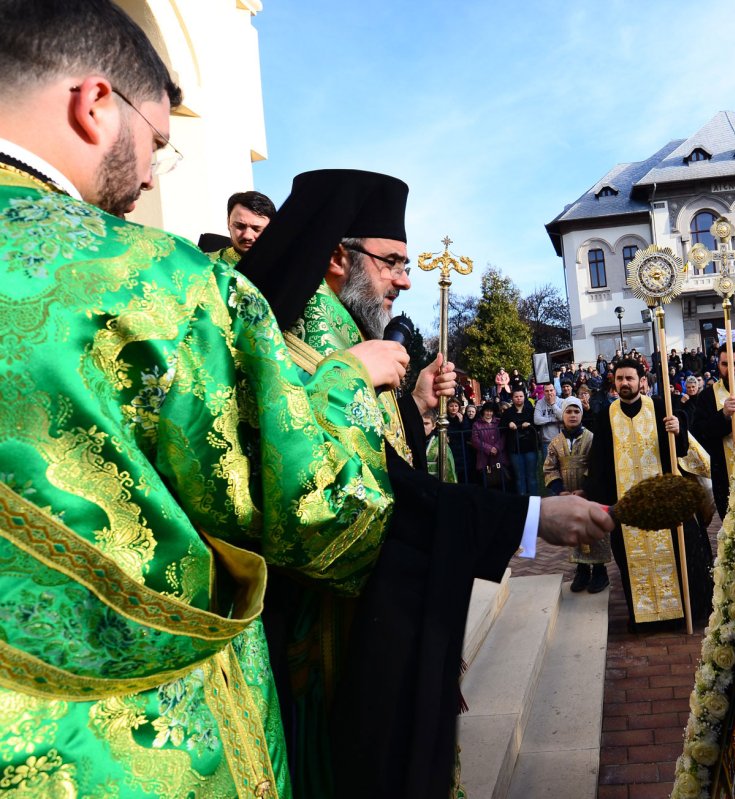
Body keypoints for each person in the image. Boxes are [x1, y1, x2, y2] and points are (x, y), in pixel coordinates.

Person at [0, 4, 427, 794]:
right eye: (158, 142)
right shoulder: (157, 282)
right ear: (94, 106)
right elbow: (317, 507)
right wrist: (341, 384)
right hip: (126, 746)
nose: (155, 174)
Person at [238, 168, 612, 798]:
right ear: (337, 258)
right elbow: (374, 494)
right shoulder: (303, 349)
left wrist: (415, 404)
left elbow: (394, 461)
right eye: (392, 264)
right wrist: (529, 517)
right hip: (335, 629)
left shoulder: (353, 341)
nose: (405, 282)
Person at [585, 358, 713, 631]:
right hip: (627, 505)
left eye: (629, 378)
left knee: (680, 556)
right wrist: (603, 505)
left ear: (641, 380)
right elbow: (599, 464)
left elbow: (679, 450)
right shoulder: (606, 415)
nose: (624, 384)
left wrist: (677, 429)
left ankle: (679, 615)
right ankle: (644, 620)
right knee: (631, 562)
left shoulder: (659, 407)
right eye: (619, 379)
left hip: (663, 500)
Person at [545, 398, 611, 593]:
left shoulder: (592, 439)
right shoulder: (555, 443)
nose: (572, 415)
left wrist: (587, 489)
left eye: (576, 411)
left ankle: (600, 572)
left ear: (582, 414)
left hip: (591, 495)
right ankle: (582, 570)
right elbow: (549, 468)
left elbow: (598, 466)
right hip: (568, 495)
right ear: (562, 415)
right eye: (568, 412)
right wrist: (559, 490)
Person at [692, 343, 735, 519]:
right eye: (725, 364)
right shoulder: (707, 396)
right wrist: (723, 415)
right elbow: (699, 433)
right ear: (718, 365)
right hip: (724, 475)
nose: (730, 369)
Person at [211, 189, 276, 265]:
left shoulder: (287, 267)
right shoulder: (206, 265)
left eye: (256, 229)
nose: (247, 236)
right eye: (240, 226)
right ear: (228, 222)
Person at [502, 387, 539, 495]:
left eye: (521, 396)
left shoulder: (530, 410)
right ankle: (522, 502)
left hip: (530, 447)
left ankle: (534, 501)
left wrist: (529, 424)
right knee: (519, 476)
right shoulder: (508, 412)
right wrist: (508, 424)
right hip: (515, 449)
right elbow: (501, 426)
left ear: (524, 397)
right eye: (516, 396)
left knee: (532, 476)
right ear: (512, 398)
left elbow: (537, 425)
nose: (518, 399)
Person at [472, 401, 508, 489]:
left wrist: (496, 447)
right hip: (484, 458)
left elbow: (504, 436)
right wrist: (489, 449)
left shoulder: (499, 422)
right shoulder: (476, 424)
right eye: (487, 411)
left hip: (499, 457)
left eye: (491, 411)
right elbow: (475, 440)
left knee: (502, 483)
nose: (489, 413)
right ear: (483, 411)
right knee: (488, 483)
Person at [533, 379, 563, 463]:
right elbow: (537, 420)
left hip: (562, 440)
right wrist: (552, 419)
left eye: (551, 390)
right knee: (549, 470)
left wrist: (553, 404)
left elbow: (562, 417)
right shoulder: (540, 403)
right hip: (547, 442)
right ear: (543, 392)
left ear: (555, 390)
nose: (549, 393)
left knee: (563, 468)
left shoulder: (562, 401)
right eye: (546, 391)